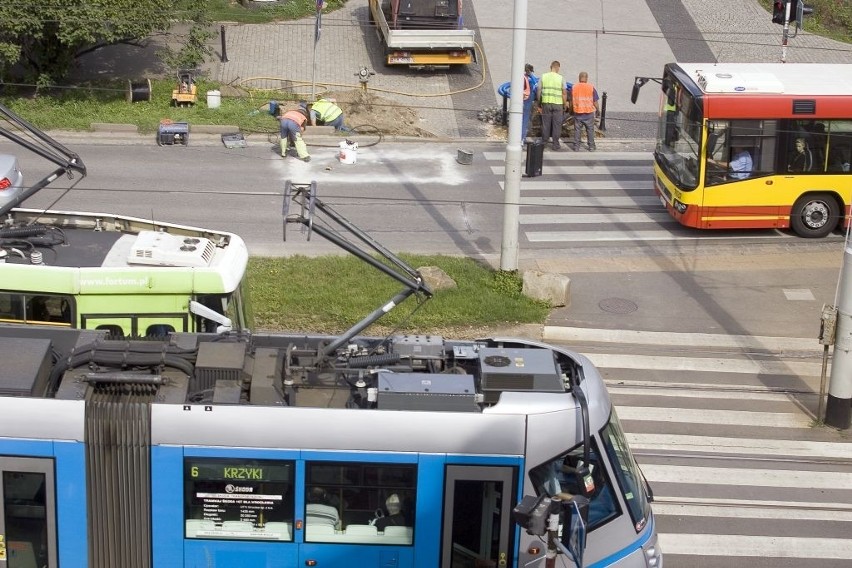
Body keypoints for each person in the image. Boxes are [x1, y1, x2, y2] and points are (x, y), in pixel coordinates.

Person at [537, 60, 568, 151]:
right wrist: (564, 104)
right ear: (558, 67)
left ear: (550, 67)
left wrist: (539, 103)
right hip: (558, 105)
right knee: (557, 125)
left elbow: (539, 90)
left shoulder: (543, 76)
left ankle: (544, 142)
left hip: (546, 103)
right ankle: (555, 144)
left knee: (546, 124)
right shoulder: (561, 78)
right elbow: (564, 93)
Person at [571, 71, 600, 152]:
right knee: (590, 130)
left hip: (578, 113)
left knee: (577, 130)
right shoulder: (591, 87)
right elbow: (595, 101)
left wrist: (571, 110)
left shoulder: (574, 87)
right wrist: (598, 110)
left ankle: (576, 147)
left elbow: (571, 100)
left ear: (579, 78)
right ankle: (591, 146)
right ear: (586, 78)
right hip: (588, 113)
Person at [521, 63, 539, 144]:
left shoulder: (521, 77)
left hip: (520, 102)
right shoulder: (531, 80)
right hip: (527, 102)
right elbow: (537, 88)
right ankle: (522, 138)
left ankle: (519, 136)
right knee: (525, 120)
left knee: (520, 119)